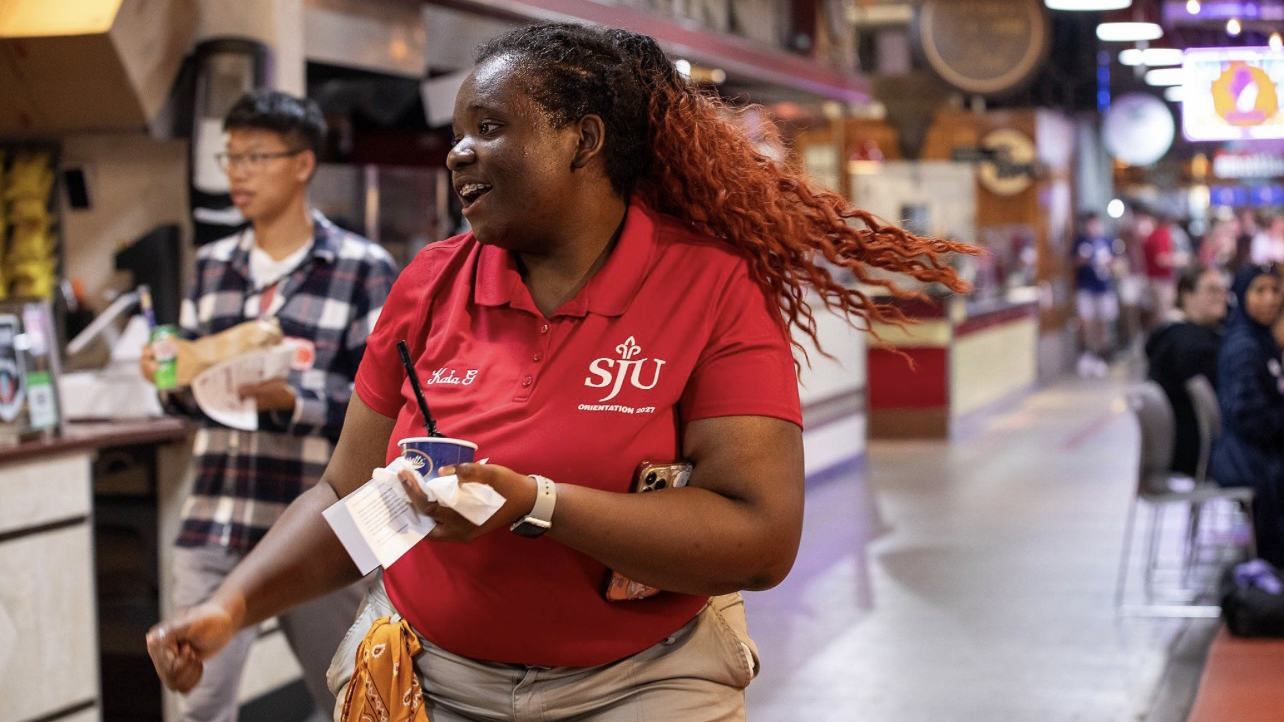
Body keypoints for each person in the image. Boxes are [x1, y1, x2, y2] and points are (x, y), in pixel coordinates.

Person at [145, 24, 972, 722]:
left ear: (584, 139)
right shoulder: (430, 285)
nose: (458, 153)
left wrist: (537, 505)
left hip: (643, 682)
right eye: (457, 133)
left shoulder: (707, 287)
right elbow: (349, 499)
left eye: (491, 126)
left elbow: (759, 537)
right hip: (427, 678)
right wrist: (234, 604)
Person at [140, 90, 398, 722]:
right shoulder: (210, 267)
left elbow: (386, 410)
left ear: (303, 163)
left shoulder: (363, 268)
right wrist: (170, 373)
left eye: (256, 156)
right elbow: (191, 397)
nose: (238, 173)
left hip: (317, 532)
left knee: (352, 698)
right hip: (218, 515)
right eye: (230, 157)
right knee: (199, 705)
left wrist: (295, 400)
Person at [1211, 264, 1284, 567]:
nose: (1269, 299)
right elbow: (1250, 417)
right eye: (1259, 291)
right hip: (1245, 456)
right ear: (1241, 296)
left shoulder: (1260, 338)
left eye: (1275, 290)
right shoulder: (1243, 346)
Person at [1144, 265, 1228, 477]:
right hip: (1199, 449)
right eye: (1212, 290)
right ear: (1187, 295)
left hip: (1194, 445)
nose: (1221, 296)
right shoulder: (1188, 343)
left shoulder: (1179, 333)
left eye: (1223, 290)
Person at [1072, 211, 1118, 377]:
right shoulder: (1080, 241)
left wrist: (1108, 264)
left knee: (1101, 323)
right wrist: (1084, 259)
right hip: (1085, 286)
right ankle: (1087, 354)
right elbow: (1073, 261)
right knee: (1085, 321)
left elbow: (1116, 262)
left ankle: (1100, 356)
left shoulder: (1107, 240)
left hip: (1103, 287)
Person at [1139, 208, 1177, 326]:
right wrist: (1180, 260)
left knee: (1158, 313)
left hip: (1153, 279)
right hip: (1161, 280)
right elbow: (1161, 259)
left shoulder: (1152, 235)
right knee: (1163, 314)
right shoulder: (1161, 234)